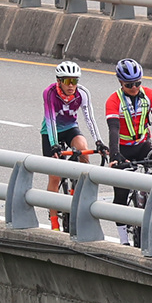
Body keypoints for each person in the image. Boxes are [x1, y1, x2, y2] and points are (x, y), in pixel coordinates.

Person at [42, 60, 97, 221]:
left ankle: (76, 191)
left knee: (83, 149)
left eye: (75, 81)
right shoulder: (50, 92)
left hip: (70, 128)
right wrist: (54, 145)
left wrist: (99, 141)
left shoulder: (82, 93)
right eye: (67, 81)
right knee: (55, 177)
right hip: (51, 132)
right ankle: (53, 219)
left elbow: (90, 119)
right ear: (59, 81)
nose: (71, 85)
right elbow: (50, 120)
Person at [105, 58, 152, 176]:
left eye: (137, 83)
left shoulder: (149, 95)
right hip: (123, 147)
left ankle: (148, 192)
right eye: (129, 85)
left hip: (143, 144)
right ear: (120, 82)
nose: (134, 87)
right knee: (121, 193)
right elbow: (113, 129)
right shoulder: (113, 101)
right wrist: (114, 154)